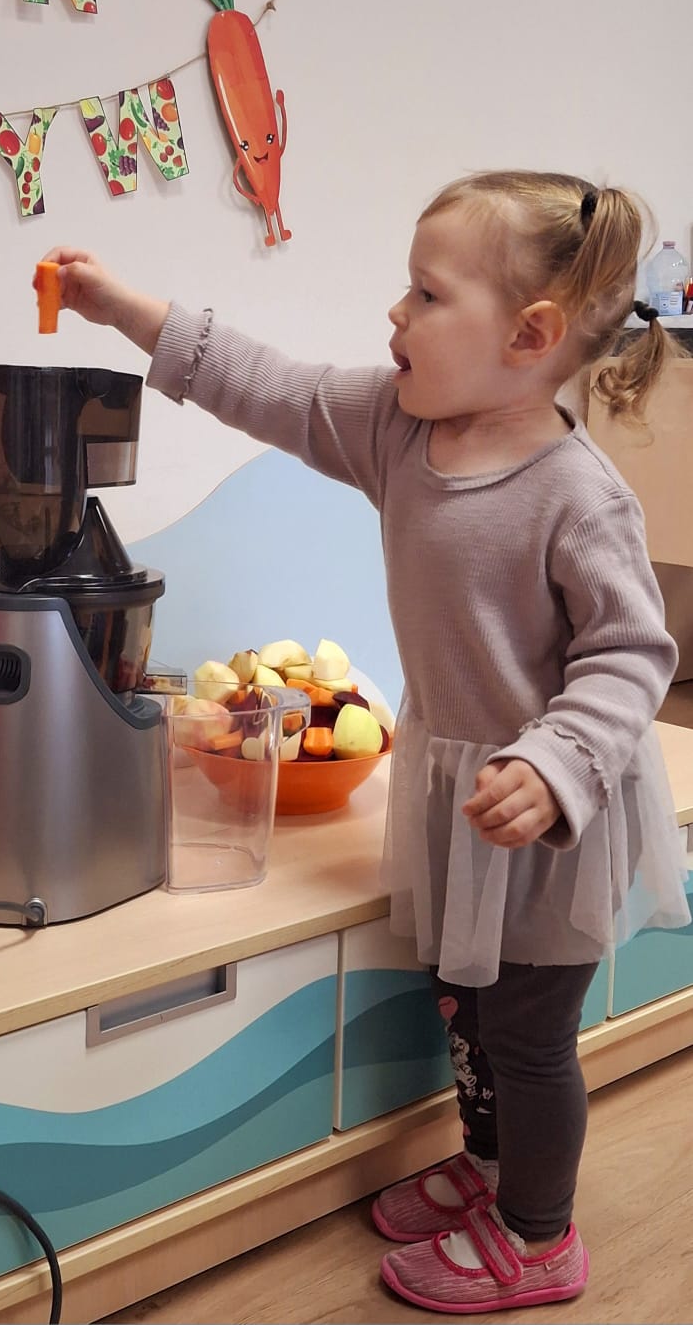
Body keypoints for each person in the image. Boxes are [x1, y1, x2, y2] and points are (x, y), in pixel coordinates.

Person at [38, 169, 690, 1314]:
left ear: (530, 335)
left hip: (550, 807)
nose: (397, 312)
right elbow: (267, 384)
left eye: (427, 295)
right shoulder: (398, 426)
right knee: (463, 1002)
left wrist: (553, 764)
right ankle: (490, 1163)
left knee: (528, 1031)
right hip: (451, 787)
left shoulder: (581, 497)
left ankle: (540, 1233)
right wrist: (124, 308)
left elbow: (632, 653)